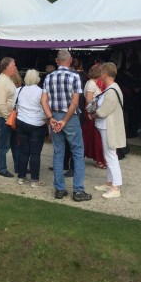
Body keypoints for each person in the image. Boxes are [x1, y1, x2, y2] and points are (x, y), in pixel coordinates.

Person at [44, 49, 92, 202]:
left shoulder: (49, 77)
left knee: (58, 152)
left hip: (54, 115)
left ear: (57, 61)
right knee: (77, 152)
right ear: (70, 61)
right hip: (70, 117)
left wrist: (51, 118)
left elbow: (43, 101)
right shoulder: (75, 77)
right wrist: (64, 120)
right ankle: (78, 190)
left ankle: (59, 189)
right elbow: (75, 103)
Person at [92, 62, 127, 199]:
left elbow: (104, 110)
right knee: (109, 155)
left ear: (105, 73)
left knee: (111, 156)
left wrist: (94, 114)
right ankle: (110, 182)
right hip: (106, 126)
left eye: (102, 72)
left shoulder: (112, 90)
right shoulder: (112, 88)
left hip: (108, 127)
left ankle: (116, 187)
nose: (100, 74)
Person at [15, 70, 54, 187]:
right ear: (37, 79)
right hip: (37, 124)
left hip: (22, 123)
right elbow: (46, 108)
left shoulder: (19, 90)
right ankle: (34, 180)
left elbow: (14, 106)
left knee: (23, 151)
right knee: (35, 153)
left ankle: (21, 177)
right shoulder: (41, 92)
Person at [0, 57, 18, 177]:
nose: (15, 67)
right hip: (5, 118)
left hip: (10, 117)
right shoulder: (2, 82)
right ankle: (2, 169)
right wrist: (8, 118)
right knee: (4, 145)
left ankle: (19, 166)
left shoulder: (7, 79)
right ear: (7, 67)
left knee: (15, 144)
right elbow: (1, 104)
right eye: (13, 65)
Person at [82, 64, 107, 169]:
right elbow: (88, 100)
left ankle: (98, 158)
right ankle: (99, 159)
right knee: (96, 138)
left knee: (93, 137)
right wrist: (90, 113)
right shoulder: (92, 84)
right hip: (92, 114)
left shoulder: (91, 83)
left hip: (92, 113)